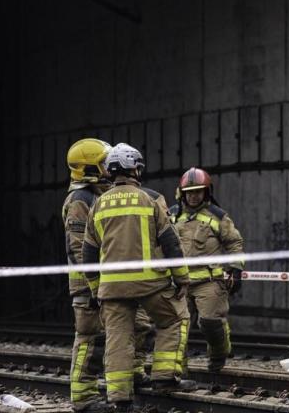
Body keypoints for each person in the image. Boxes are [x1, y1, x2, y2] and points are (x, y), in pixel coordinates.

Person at [82, 143, 194, 411]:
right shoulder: (149, 199)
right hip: (150, 283)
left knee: (118, 338)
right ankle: (165, 377)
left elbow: (88, 253)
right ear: (134, 169)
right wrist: (182, 278)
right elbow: (171, 242)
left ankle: (120, 399)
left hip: (112, 287)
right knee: (175, 319)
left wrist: (96, 289)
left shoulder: (98, 205)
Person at [63, 139, 153, 412]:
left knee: (131, 328)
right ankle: (83, 398)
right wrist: (94, 286)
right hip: (88, 286)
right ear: (89, 168)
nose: (109, 166)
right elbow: (79, 248)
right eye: (103, 163)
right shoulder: (80, 200)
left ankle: (130, 375)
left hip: (107, 283)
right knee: (91, 340)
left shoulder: (97, 196)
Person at [169, 167, 245, 372]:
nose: (193, 196)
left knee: (210, 323)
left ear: (206, 192)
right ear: (181, 193)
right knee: (176, 329)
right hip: (179, 284)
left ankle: (219, 354)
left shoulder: (218, 216)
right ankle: (177, 372)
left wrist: (236, 270)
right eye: (189, 192)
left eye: (198, 192)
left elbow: (234, 243)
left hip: (209, 282)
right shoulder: (172, 216)